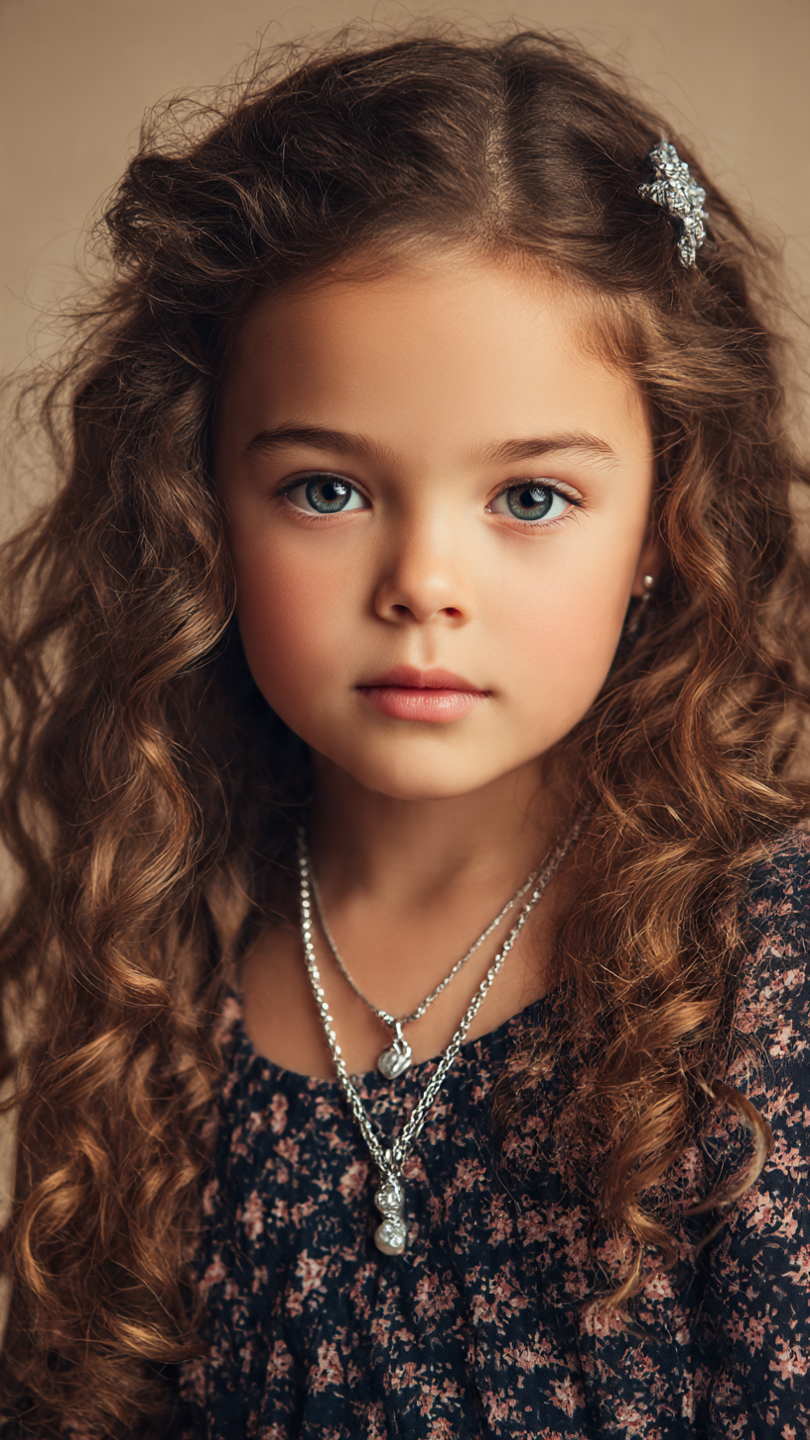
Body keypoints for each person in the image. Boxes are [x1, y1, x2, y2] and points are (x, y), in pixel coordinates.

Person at [0, 25, 808, 1440]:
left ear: (661, 528)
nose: (422, 584)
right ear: (198, 511)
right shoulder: (153, 949)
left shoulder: (764, 981)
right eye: (326, 490)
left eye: (531, 498)